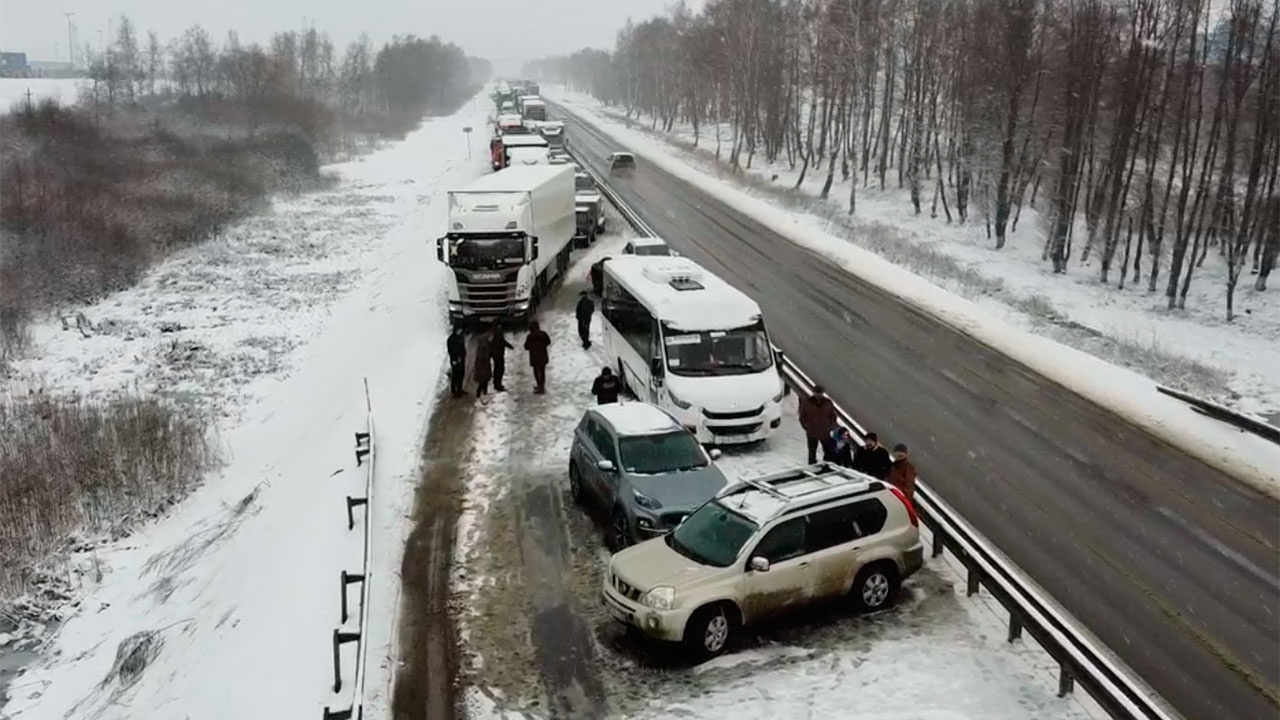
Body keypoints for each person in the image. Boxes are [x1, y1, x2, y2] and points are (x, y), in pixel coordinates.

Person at [798, 384, 838, 464]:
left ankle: (826, 465)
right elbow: (802, 417)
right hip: (812, 432)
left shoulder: (828, 403)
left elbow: (833, 415)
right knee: (812, 451)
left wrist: (831, 427)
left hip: (825, 432)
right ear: (814, 393)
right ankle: (812, 466)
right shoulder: (807, 403)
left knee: (828, 451)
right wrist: (807, 427)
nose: (819, 395)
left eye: (820, 393)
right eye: (817, 393)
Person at [524, 320, 551, 394]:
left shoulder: (530, 336)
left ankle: (539, 385)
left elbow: (526, 347)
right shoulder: (543, 334)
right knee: (542, 371)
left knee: (536, 371)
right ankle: (542, 386)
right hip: (543, 355)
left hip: (534, 357)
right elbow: (548, 342)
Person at [489, 325, 514, 392]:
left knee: (497, 369)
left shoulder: (495, 336)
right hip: (498, 355)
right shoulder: (498, 336)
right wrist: (510, 346)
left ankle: (497, 384)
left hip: (496, 355)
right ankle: (498, 384)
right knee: (499, 370)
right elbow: (503, 342)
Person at [446, 326, 467, 397]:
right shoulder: (451, 339)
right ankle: (454, 391)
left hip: (461, 359)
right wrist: (454, 359)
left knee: (461, 374)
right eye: (459, 330)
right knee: (455, 375)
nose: (460, 331)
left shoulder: (460, 337)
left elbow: (462, 348)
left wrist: (463, 355)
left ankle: (460, 389)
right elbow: (451, 351)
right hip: (455, 360)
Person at [472, 331, 492, 398]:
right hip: (483, 367)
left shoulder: (483, 345)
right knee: (483, 381)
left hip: (483, 366)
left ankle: (484, 392)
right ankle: (480, 393)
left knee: (484, 380)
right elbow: (482, 356)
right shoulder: (483, 347)